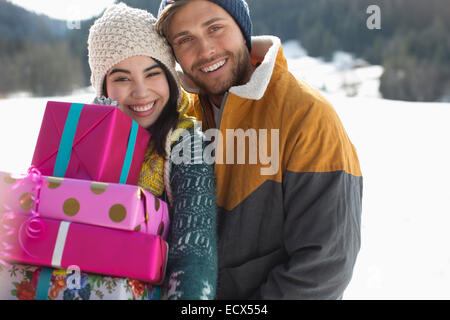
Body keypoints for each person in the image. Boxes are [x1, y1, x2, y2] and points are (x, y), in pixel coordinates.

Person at [156, 0, 363, 299]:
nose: (205, 51)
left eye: (215, 28)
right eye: (185, 39)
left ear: (242, 29)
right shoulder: (177, 119)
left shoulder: (307, 116)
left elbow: (324, 267)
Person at [87, 3, 217, 300]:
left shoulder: (185, 143)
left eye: (152, 73)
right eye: (122, 78)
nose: (141, 91)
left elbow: (194, 256)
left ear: (170, 78)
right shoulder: (82, 136)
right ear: (103, 87)